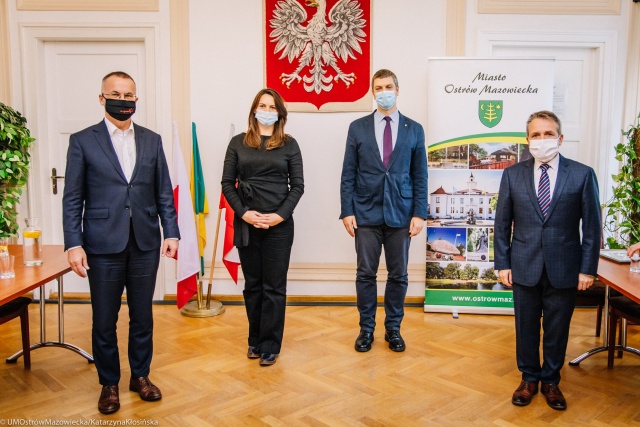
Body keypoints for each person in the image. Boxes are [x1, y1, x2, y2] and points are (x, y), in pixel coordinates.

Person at [62, 71, 180, 415]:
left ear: (136, 100)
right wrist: (73, 243)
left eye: (129, 96)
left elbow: (163, 191)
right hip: (101, 244)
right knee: (104, 319)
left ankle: (140, 376)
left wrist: (171, 232)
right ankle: (109, 383)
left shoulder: (152, 140)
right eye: (115, 94)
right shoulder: (83, 141)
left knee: (143, 316)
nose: (123, 100)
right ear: (102, 98)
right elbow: (73, 198)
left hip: (145, 242)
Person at [494, 110, 601, 411]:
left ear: (560, 138)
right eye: (536, 135)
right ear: (527, 140)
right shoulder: (512, 174)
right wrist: (502, 263)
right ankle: (529, 378)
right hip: (523, 264)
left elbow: (592, 227)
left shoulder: (582, 174)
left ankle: (551, 381)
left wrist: (587, 269)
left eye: (548, 134)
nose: (542, 139)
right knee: (525, 327)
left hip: (565, 266)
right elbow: (502, 224)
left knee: (557, 328)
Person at [340, 69, 428, 353]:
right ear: (372, 92)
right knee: (365, 274)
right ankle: (366, 330)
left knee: (398, 275)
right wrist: (346, 210)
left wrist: (419, 213)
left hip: (401, 213)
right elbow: (348, 173)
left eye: (388, 87)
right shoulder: (358, 127)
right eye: (378, 88)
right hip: (365, 212)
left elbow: (420, 175)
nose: (383, 92)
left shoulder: (414, 129)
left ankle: (393, 329)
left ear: (397, 90)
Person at [221, 88, 304, 366]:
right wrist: (244, 214)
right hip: (247, 224)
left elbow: (298, 186)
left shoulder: (289, 144)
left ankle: (270, 344)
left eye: (272, 107)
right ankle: (255, 340)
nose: (267, 111)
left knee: (274, 287)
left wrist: (280, 215)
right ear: (254, 110)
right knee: (253, 285)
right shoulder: (237, 143)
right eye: (262, 105)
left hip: (279, 227)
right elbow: (226, 184)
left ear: (280, 113)